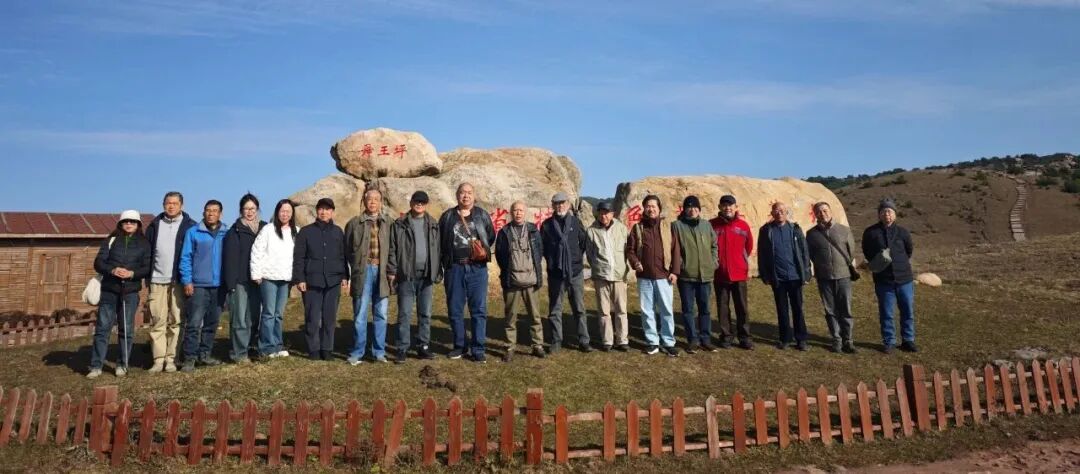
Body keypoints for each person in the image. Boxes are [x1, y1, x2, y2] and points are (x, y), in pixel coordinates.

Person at [87, 210, 152, 378]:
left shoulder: (144, 244)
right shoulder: (111, 240)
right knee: (102, 329)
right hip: (109, 290)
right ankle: (96, 366)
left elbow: (147, 267)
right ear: (121, 224)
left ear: (138, 224)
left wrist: (132, 274)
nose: (129, 224)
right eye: (126, 221)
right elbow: (99, 262)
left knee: (126, 330)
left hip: (130, 292)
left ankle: (122, 364)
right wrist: (112, 269)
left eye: (133, 221)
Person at [437, 183, 496, 363]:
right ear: (457, 195)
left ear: (474, 195)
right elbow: (440, 240)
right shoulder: (447, 216)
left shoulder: (482, 215)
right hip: (454, 268)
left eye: (469, 193)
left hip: (477, 269)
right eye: (462, 193)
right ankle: (459, 346)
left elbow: (490, 236)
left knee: (478, 309)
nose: (466, 196)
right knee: (455, 309)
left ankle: (478, 349)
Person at [144, 191, 196, 373]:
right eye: (168, 203)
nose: (171, 206)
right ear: (163, 205)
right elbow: (147, 253)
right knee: (157, 319)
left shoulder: (190, 225)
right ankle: (158, 359)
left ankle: (172, 358)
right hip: (157, 278)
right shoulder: (154, 225)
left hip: (178, 280)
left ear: (182, 205)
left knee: (176, 319)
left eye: (175, 203)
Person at [388, 191, 442, 364]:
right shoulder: (400, 224)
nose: (419, 204)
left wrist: (437, 270)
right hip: (406, 275)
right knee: (404, 313)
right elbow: (392, 249)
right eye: (416, 201)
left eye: (422, 202)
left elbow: (438, 249)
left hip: (426, 276)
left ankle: (423, 347)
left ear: (426, 204)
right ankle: (402, 348)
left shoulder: (433, 224)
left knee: (425, 313)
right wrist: (393, 269)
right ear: (410, 203)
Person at [293, 198, 350, 361]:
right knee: (312, 317)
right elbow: (299, 257)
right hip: (312, 281)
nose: (324, 212)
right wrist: (300, 278)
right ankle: (313, 349)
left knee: (329, 317)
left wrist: (345, 275)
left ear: (332, 212)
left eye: (327, 209)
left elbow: (342, 256)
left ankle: (327, 349)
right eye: (321, 209)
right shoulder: (305, 232)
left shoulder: (338, 231)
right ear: (316, 211)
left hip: (333, 281)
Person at [626, 195, 681, 357]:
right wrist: (636, 263)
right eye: (648, 206)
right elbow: (630, 250)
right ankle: (652, 342)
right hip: (645, 277)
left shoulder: (667, 227)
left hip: (664, 276)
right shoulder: (638, 228)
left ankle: (668, 342)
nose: (651, 209)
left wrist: (675, 272)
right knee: (647, 311)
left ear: (659, 208)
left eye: (653, 206)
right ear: (644, 208)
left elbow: (675, 250)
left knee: (666, 310)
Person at [178, 200, 229, 372]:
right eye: (208, 210)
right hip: (198, 285)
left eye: (215, 211)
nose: (211, 214)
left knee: (212, 323)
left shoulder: (226, 233)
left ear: (220, 214)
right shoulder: (193, 232)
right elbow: (185, 257)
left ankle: (205, 355)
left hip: (219, 285)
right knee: (193, 323)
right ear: (203, 212)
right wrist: (187, 280)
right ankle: (189, 358)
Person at [345, 188, 393, 365]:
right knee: (360, 314)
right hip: (362, 272)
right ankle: (357, 351)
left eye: (376, 199)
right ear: (364, 202)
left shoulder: (388, 223)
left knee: (381, 314)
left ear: (381, 202)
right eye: (369, 199)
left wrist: (391, 271)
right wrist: (355, 267)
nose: (373, 202)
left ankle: (379, 352)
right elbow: (347, 250)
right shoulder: (354, 223)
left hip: (382, 272)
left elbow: (393, 249)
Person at [862, 199, 917, 354]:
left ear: (895, 214)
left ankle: (908, 340)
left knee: (907, 311)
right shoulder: (870, 232)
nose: (887, 214)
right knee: (886, 313)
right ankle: (889, 341)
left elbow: (908, 251)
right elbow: (867, 251)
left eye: (890, 211)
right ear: (879, 215)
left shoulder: (903, 232)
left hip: (904, 279)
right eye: (883, 211)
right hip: (883, 280)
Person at [757, 202, 813, 351]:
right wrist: (764, 274)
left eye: (782, 210)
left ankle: (801, 339)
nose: (779, 213)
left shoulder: (795, 229)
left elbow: (804, 251)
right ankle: (785, 338)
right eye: (776, 211)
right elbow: (761, 253)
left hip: (795, 276)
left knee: (798, 308)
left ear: (786, 212)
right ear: (772, 213)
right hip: (778, 277)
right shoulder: (766, 230)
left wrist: (806, 272)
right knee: (782, 309)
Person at [540, 192, 591, 353]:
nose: (560, 206)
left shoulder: (576, 222)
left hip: (575, 272)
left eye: (562, 203)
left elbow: (583, 243)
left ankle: (584, 340)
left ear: (568, 204)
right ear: (552, 206)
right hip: (556, 274)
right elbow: (543, 248)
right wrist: (553, 261)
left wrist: (574, 259)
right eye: (556, 203)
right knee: (555, 309)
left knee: (579, 308)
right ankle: (556, 340)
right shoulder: (547, 225)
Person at [494, 200, 545, 361]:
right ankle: (510, 346)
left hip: (531, 280)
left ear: (525, 212)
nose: (518, 213)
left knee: (535, 316)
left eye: (521, 210)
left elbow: (539, 251)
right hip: (513, 280)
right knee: (510, 316)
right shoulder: (504, 232)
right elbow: (501, 255)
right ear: (511, 212)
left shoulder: (533, 230)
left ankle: (537, 345)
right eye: (515, 210)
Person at [805, 202, 858, 354]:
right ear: (815, 215)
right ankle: (836, 339)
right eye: (819, 212)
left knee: (846, 309)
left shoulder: (844, 230)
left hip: (843, 276)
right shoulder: (811, 234)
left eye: (825, 210)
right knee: (830, 310)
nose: (822, 213)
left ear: (830, 211)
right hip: (824, 277)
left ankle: (848, 340)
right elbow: (810, 255)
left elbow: (851, 251)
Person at [222, 193, 267, 364]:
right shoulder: (235, 231)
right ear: (241, 210)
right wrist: (231, 283)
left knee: (255, 316)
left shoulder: (264, 228)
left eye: (253, 209)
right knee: (240, 318)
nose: (249, 212)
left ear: (257, 209)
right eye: (246, 209)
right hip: (240, 281)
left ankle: (252, 348)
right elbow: (230, 259)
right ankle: (239, 353)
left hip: (259, 280)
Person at [250, 199, 297, 360]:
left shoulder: (295, 231)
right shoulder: (268, 229)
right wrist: (256, 273)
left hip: (285, 278)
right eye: (282, 211)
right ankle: (265, 347)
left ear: (292, 214)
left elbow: (298, 256)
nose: (285, 214)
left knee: (279, 314)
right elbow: (257, 251)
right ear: (277, 212)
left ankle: (277, 344)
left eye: (288, 211)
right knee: (269, 313)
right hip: (268, 277)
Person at [671, 196, 718, 354]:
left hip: (705, 275)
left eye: (695, 207)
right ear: (684, 209)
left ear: (699, 209)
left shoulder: (706, 225)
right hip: (686, 276)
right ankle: (692, 340)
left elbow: (714, 245)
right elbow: (672, 248)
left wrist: (713, 262)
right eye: (689, 207)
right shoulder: (676, 226)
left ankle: (705, 338)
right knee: (688, 310)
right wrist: (680, 266)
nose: (692, 209)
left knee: (705, 309)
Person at [709, 195, 754, 350]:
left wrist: (740, 261)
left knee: (742, 307)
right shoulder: (712, 225)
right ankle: (726, 336)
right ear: (720, 207)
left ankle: (745, 337)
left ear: (736, 207)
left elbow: (748, 246)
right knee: (722, 306)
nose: (728, 208)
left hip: (739, 273)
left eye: (730, 205)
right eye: (724, 205)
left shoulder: (743, 226)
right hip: (720, 273)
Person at [585, 201, 631, 352]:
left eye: (607, 212)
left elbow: (627, 250)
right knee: (604, 311)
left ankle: (622, 340)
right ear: (598, 213)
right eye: (602, 212)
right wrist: (598, 268)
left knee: (621, 309)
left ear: (613, 214)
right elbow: (590, 254)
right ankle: (607, 340)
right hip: (601, 276)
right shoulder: (591, 231)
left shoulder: (622, 229)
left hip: (619, 275)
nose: (604, 215)